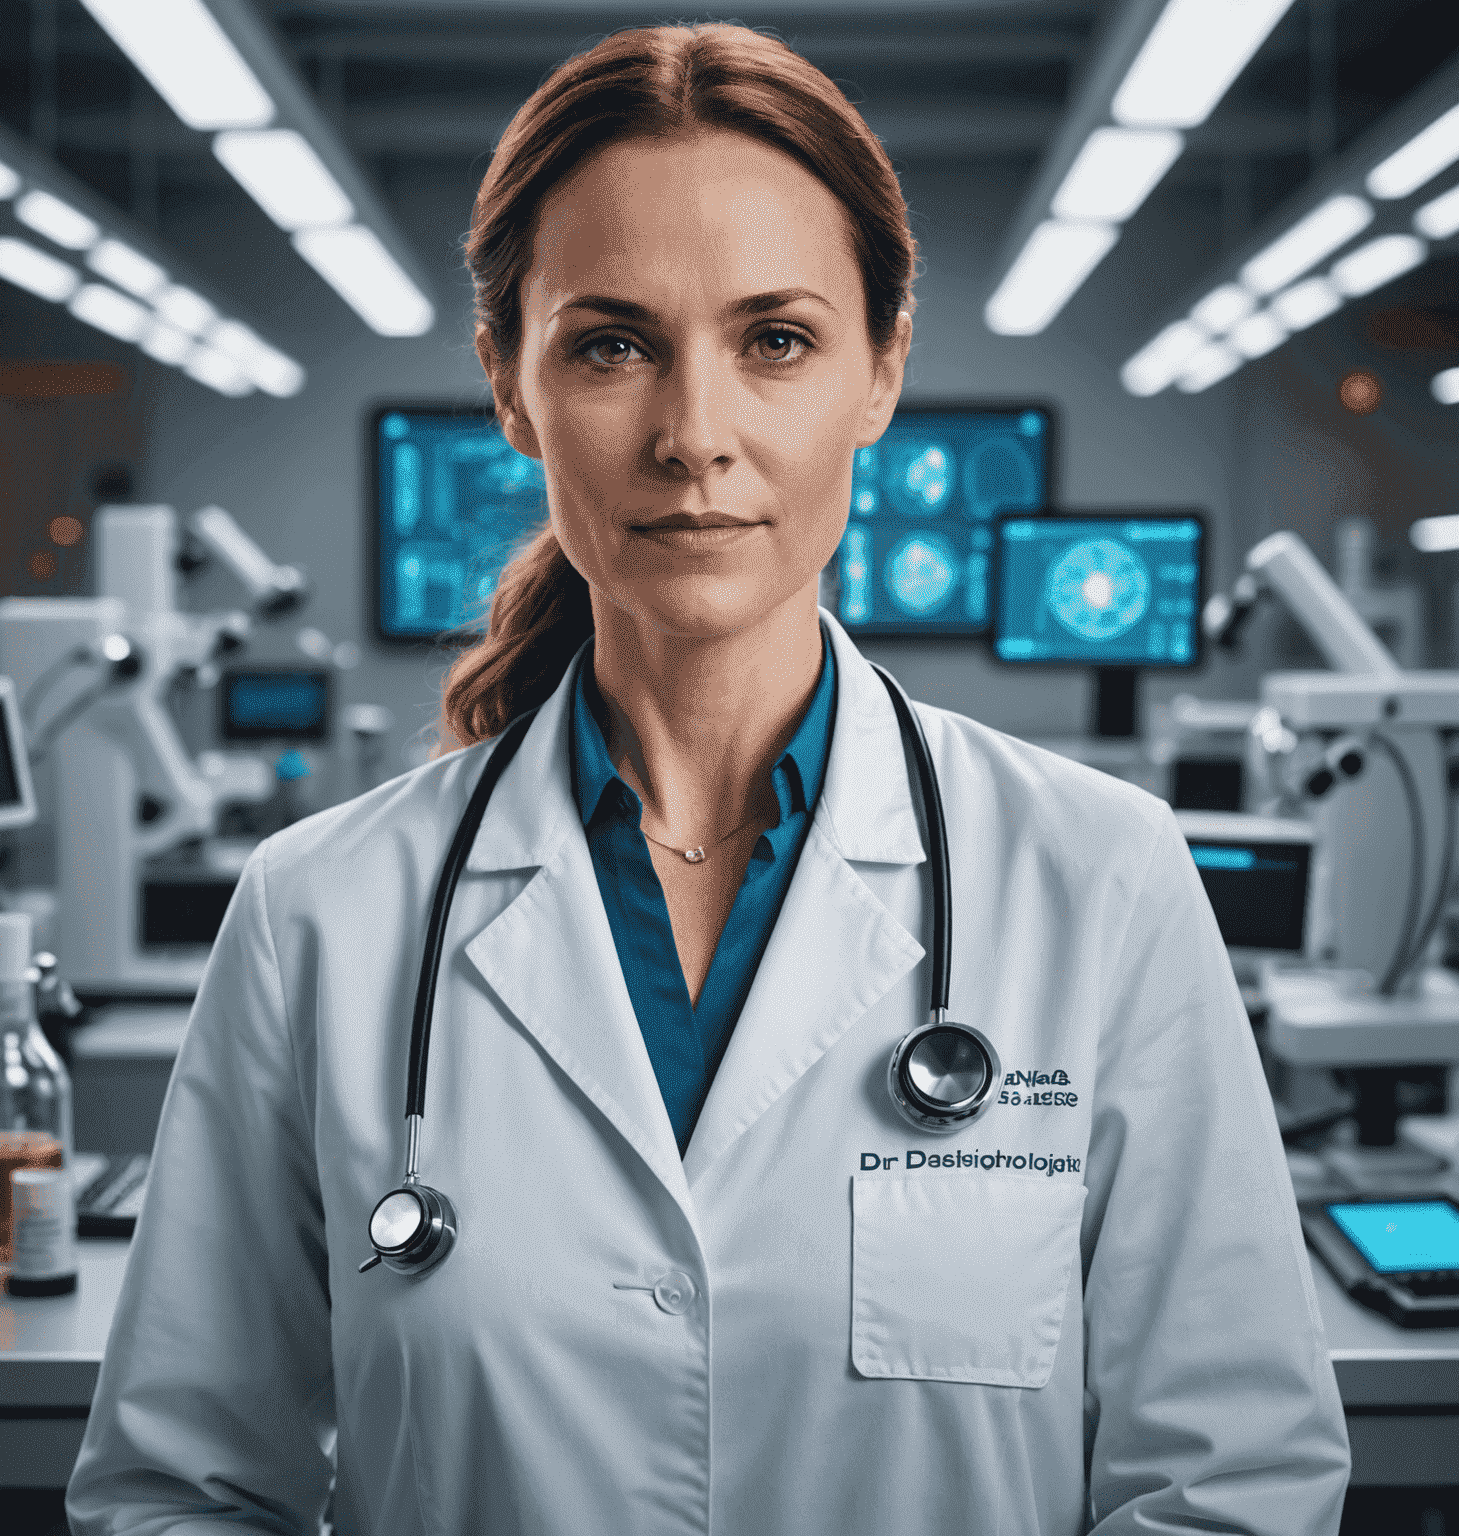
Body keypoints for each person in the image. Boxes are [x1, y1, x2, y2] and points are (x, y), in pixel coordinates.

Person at [65, 21, 1350, 1535]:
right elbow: (180, 1490)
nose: (694, 437)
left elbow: (1232, 1483)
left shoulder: (1104, 881)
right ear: (509, 384)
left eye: (777, 341)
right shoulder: (320, 918)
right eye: (612, 345)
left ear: (880, 372)